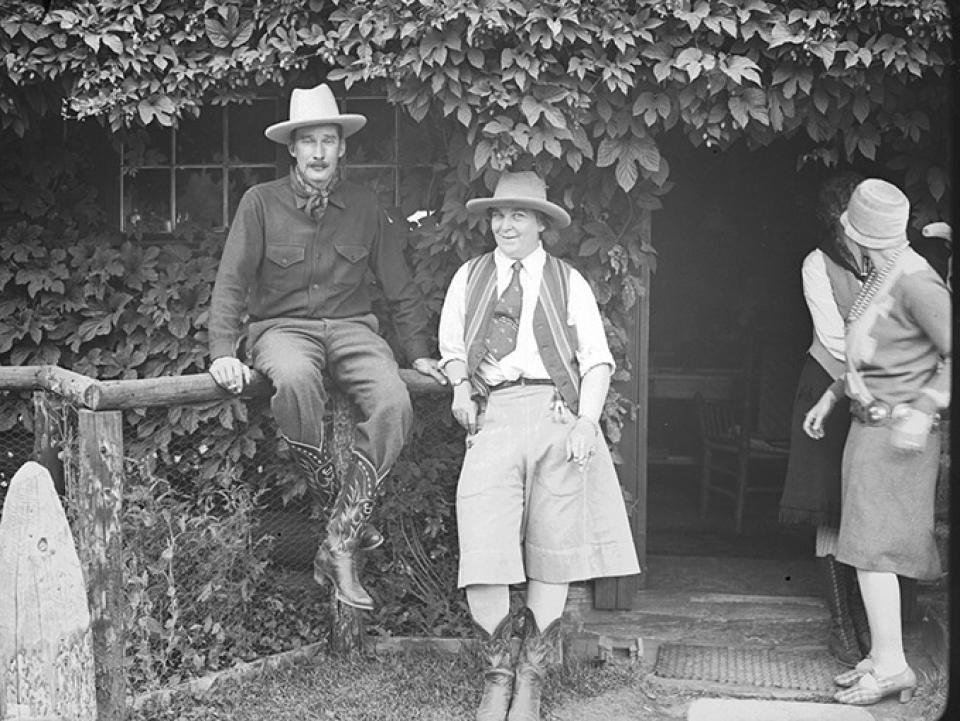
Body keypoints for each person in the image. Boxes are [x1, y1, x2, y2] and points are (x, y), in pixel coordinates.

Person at [207, 83, 446, 611]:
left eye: (328, 140)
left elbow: (399, 283)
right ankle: (348, 529)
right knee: (292, 380)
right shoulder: (259, 203)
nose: (318, 151)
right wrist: (224, 348)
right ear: (291, 148)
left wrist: (419, 350)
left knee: (393, 401)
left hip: (353, 330)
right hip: (283, 331)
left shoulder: (364, 205)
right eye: (308, 140)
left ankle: (339, 536)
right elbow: (231, 281)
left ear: (342, 148)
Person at [438, 171, 640, 721]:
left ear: (542, 224)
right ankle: (497, 675)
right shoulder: (470, 276)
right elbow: (452, 346)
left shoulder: (567, 280)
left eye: (519, 215)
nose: (505, 225)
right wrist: (460, 383)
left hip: (557, 415)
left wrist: (585, 422)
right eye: (499, 215)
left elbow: (596, 359)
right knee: (484, 545)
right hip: (495, 417)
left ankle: (531, 678)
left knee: (553, 548)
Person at [803, 178, 950, 706]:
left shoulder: (915, 281)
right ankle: (881, 656)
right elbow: (877, 353)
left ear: (860, 234)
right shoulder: (883, 272)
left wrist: (925, 410)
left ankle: (892, 667)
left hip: (896, 433)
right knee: (867, 550)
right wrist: (833, 395)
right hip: (870, 428)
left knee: (877, 552)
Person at [777, 172, 872, 666]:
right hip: (828, 388)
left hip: (866, 389)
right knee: (829, 508)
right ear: (840, 217)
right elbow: (835, 339)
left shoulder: (884, 262)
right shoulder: (818, 263)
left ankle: (863, 616)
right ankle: (841, 624)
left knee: (863, 504)